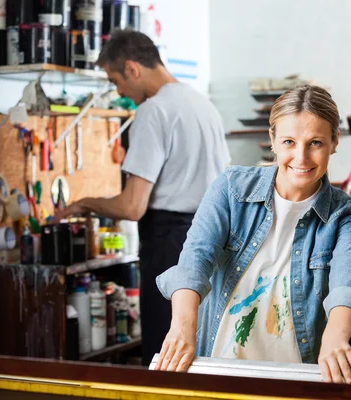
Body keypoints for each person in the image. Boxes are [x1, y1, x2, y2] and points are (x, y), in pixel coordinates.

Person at [154, 85, 351, 383]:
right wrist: (181, 329)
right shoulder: (231, 189)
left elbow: (346, 288)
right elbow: (195, 261)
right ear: (272, 140)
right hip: (218, 369)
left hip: (296, 379)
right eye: (288, 142)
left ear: (334, 141)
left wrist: (335, 339)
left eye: (315, 143)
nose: (301, 157)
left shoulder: (346, 216)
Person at [52, 30, 231, 366]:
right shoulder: (201, 104)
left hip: (171, 245)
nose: (119, 91)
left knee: (165, 351)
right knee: (200, 347)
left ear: (132, 69)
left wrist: (83, 203)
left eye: (115, 79)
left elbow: (131, 207)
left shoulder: (153, 112)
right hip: (214, 237)